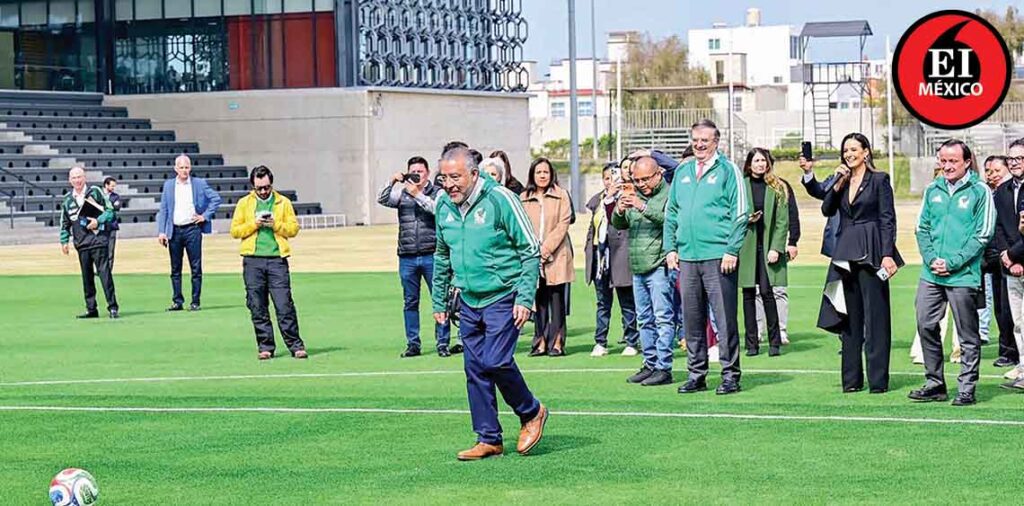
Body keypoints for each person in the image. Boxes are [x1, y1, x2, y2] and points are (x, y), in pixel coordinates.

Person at [431, 146, 547, 461]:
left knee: (495, 361)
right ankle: (488, 438)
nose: (449, 184)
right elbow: (441, 254)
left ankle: (531, 411)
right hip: (468, 299)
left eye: (455, 177)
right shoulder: (443, 204)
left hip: (504, 295)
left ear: (474, 173)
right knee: (474, 369)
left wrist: (525, 297)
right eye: (444, 178)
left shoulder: (501, 199)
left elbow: (530, 250)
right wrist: (439, 300)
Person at [665, 119, 748, 395]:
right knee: (692, 320)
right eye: (695, 140)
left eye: (705, 140)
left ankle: (730, 375)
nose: (699, 145)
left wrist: (731, 249)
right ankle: (696, 374)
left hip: (718, 257)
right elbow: (671, 212)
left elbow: (741, 213)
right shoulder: (683, 171)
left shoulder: (728, 170)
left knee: (724, 320)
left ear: (716, 142)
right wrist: (670, 248)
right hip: (688, 257)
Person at [817, 133, 903, 394]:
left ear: (866, 152)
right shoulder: (842, 181)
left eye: (854, 149)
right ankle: (852, 380)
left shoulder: (879, 179)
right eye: (846, 150)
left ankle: (878, 381)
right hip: (845, 254)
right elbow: (827, 210)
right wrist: (837, 183)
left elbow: (887, 219)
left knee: (876, 318)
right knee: (848, 318)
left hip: (872, 253)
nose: (849, 154)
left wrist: (887, 254)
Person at [910, 139, 993, 406]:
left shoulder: (980, 191)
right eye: (943, 161)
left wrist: (953, 262)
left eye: (953, 161)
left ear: (967, 162)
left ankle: (966, 388)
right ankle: (935, 383)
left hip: (963, 275)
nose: (946, 166)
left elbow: (983, 234)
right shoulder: (932, 190)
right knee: (925, 325)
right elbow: (921, 229)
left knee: (967, 334)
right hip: (931, 274)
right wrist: (932, 259)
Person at [229, 166, 308, 360]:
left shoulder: (283, 202)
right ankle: (265, 346)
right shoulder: (244, 203)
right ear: (253, 186)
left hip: (277, 260)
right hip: (252, 260)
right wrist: (254, 224)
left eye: (266, 187)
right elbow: (235, 231)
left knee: (284, 304)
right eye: (259, 188)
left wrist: (275, 225)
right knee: (257, 305)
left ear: (271, 184)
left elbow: (293, 229)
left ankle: (295, 345)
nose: (263, 191)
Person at [377, 156, 453, 358]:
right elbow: (382, 199)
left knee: (440, 298)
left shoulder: (438, 192)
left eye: (420, 171)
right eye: (413, 172)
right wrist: (392, 181)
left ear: (427, 173)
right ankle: (413, 343)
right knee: (410, 301)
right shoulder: (402, 194)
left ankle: (443, 343)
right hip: (407, 255)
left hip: (432, 253)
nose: (416, 175)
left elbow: (437, 210)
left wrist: (417, 194)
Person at [612, 156, 673, 386]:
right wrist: (619, 210)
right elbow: (620, 224)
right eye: (636, 180)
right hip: (637, 266)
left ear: (658, 174)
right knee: (644, 320)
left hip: (659, 265)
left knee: (663, 318)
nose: (641, 184)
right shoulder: (634, 193)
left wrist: (642, 206)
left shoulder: (669, 193)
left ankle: (664, 367)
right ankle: (649, 364)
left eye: (645, 179)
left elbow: (669, 221)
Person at [521, 157, 575, 356]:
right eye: (538, 172)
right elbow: (521, 226)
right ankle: (540, 341)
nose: (542, 176)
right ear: (532, 175)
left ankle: (557, 342)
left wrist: (545, 250)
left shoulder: (562, 195)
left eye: (546, 172)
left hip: (557, 255)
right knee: (538, 300)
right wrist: (535, 251)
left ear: (551, 174)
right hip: (532, 256)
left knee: (557, 300)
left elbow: (563, 225)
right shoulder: (524, 197)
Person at [739, 148, 789, 357]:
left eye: (763, 160)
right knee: (748, 294)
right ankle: (752, 343)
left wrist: (776, 248)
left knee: (768, 293)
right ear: (749, 164)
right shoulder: (741, 185)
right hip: (746, 247)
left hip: (767, 247)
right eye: (756, 160)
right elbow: (730, 213)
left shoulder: (777, 186)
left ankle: (775, 341)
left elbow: (782, 221)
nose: (760, 164)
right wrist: (746, 219)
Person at [157, 154, 222, 312]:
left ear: (190, 168)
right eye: (181, 167)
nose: (184, 170)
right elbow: (164, 209)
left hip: (192, 229)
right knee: (175, 268)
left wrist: (204, 216)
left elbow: (216, 199)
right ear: (175, 169)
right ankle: (177, 301)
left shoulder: (199, 183)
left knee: (195, 267)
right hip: (174, 230)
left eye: (187, 167)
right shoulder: (169, 185)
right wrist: (161, 231)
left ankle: (195, 301)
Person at [585, 163, 638, 357]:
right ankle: (600, 341)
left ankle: (631, 340)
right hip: (601, 257)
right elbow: (594, 226)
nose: (610, 182)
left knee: (627, 301)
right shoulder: (599, 200)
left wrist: (618, 195)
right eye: (607, 178)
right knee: (603, 302)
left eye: (614, 177)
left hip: (620, 255)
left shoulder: (628, 196)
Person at [60, 166, 119, 319]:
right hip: (82, 244)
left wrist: (98, 221)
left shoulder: (95, 192)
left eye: (79, 177)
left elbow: (110, 211)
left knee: (105, 275)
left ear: (84, 177)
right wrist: (64, 241)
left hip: (98, 240)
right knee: (87, 278)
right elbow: (65, 223)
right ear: (70, 180)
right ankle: (91, 309)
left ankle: (113, 307)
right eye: (74, 178)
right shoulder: (67, 199)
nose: (77, 180)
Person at [983, 155, 1017, 368]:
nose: (992, 175)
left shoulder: (1011, 194)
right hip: (994, 259)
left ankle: (1011, 352)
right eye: (988, 171)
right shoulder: (990, 194)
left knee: (1010, 309)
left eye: (997, 170)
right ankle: (1007, 351)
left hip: (1011, 256)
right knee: (1000, 308)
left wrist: (1010, 254)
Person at [997, 139, 1024, 385]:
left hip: (1019, 260)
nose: (1014, 163)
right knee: (1018, 322)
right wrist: (1006, 256)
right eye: (1011, 158)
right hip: (1011, 267)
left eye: (1019, 158)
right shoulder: (1002, 190)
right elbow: (998, 228)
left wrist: (1016, 255)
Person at [102, 177, 121, 272]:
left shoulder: (115, 196)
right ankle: (100, 268)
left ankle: (108, 270)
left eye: (114, 186)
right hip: (100, 226)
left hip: (112, 226)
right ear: (106, 185)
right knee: (100, 250)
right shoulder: (99, 195)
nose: (113, 188)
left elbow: (117, 207)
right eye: (112, 186)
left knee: (110, 250)